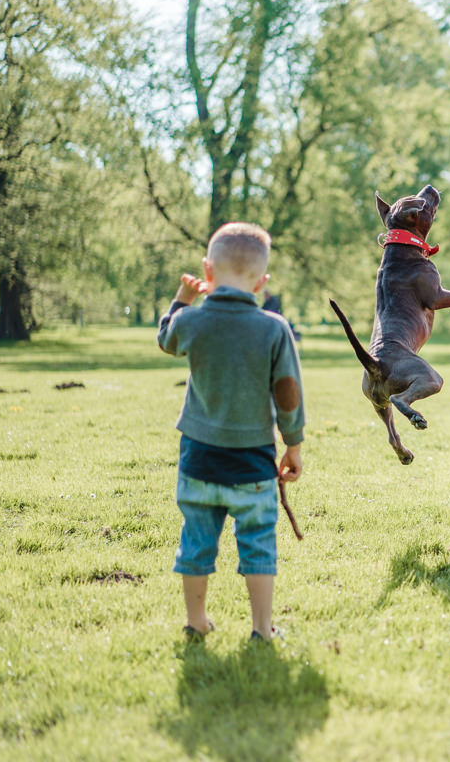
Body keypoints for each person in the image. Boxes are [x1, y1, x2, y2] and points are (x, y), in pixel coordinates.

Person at [157, 221, 305, 641]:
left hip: (198, 458)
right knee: (258, 542)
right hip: (252, 462)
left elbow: (166, 339)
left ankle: (196, 622)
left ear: (207, 271)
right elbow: (288, 395)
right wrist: (293, 446)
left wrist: (181, 301)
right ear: (262, 282)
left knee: (197, 541)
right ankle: (261, 627)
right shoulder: (274, 328)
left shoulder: (192, 321)